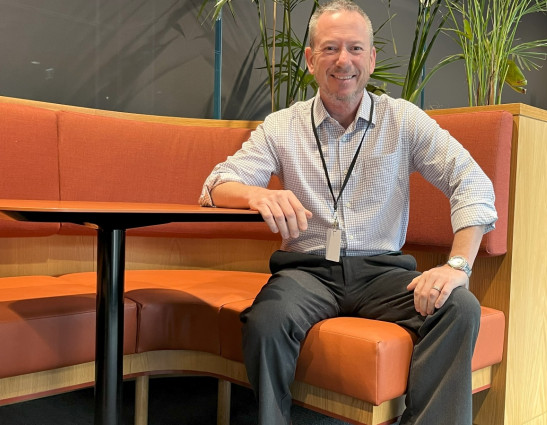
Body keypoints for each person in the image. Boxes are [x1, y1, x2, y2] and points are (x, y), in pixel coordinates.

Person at [199, 1, 497, 423]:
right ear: (310, 59)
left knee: (458, 307)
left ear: (372, 59)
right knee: (266, 322)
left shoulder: (404, 120)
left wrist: (458, 264)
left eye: (356, 49)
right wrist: (254, 195)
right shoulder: (282, 126)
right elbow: (215, 186)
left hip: (382, 272)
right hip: (307, 273)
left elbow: (472, 182)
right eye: (330, 48)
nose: (344, 61)